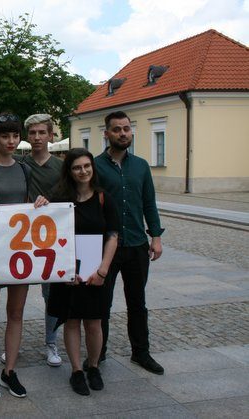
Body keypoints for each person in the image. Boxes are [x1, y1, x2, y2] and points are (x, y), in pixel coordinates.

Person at [0, 103, 64, 368]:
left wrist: (39, 205)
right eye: (5, 136)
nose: (11, 141)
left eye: (15, 136)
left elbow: (27, 206)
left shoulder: (23, 168)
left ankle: (9, 370)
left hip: (19, 251)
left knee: (16, 314)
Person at [93, 110, 165, 375]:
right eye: (116, 129)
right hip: (106, 246)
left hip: (136, 244)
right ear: (107, 134)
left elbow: (149, 203)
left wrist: (155, 237)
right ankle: (97, 354)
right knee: (102, 303)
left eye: (126, 129)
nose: (123, 133)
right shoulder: (95, 166)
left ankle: (141, 352)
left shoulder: (141, 166)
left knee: (137, 302)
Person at [47, 148, 119, 395]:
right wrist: (64, 271)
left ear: (92, 168)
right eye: (77, 167)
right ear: (69, 171)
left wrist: (102, 271)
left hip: (95, 272)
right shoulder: (59, 200)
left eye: (87, 166)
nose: (83, 171)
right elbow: (50, 235)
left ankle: (94, 366)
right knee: (71, 321)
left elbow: (112, 235)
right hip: (68, 272)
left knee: (95, 322)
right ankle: (77, 370)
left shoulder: (103, 198)